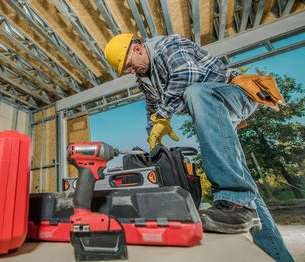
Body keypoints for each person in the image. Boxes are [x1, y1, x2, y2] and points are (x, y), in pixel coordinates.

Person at [104, 33, 293, 262]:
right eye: (127, 70)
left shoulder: (168, 45)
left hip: (233, 94)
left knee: (197, 92)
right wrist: (153, 134)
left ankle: (233, 201)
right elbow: (152, 109)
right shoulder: (146, 80)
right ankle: (277, 253)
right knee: (242, 180)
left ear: (136, 49)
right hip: (215, 114)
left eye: (129, 66)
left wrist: (164, 115)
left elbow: (188, 76)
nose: (131, 71)